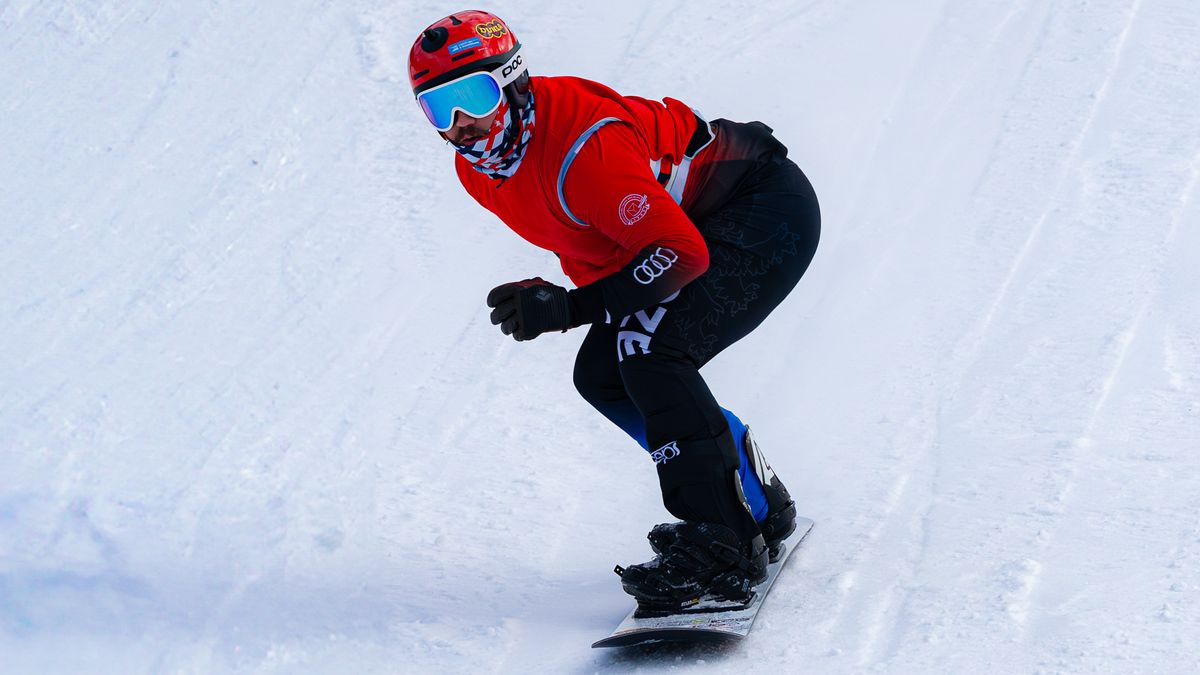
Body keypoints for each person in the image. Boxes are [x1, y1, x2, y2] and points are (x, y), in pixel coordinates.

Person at [408, 10, 820, 613]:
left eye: (473, 95)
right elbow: (601, 244)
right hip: (692, 226)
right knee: (603, 372)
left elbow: (679, 256)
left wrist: (571, 307)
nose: (462, 124)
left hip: (762, 211)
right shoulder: (481, 171)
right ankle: (753, 501)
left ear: (515, 80)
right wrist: (570, 300)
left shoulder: (584, 147)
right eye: (438, 109)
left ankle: (724, 545)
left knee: (649, 353)